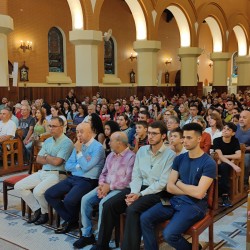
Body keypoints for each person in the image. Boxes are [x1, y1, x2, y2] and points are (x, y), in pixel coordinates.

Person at [91, 121, 176, 250]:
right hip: (137, 188)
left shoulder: (170, 155)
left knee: (132, 209)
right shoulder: (142, 150)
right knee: (108, 205)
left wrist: (139, 194)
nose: (150, 136)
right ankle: (101, 246)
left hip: (157, 192)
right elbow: (136, 176)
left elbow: (162, 183)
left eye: (154, 133)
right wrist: (134, 192)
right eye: (149, 133)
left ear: (164, 136)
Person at [140, 123, 216, 250]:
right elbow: (170, 187)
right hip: (174, 200)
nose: (184, 141)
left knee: (169, 234)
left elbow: (198, 194)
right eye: (184, 137)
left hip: (195, 205)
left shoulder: (208, 163)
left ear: (199, 139)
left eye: (189, 138)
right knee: (145, 218)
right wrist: (189, 190)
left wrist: (179, 183)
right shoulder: (179, 159)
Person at [73, 132, 136, 249]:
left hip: (120, 189)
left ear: (120, 142)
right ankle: (87, 235)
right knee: (85, 199)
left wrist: (109, 187)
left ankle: (99, 239)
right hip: (105, 186)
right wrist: (102, 185)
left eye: (111, 140)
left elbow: (127, 181)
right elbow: (103, 173)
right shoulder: (111, 155)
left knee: (103, 204)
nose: (108, 142)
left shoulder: (131, 157)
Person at [45, 122, 105, 234]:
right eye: (77, 132)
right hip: (73, 177)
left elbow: (87, 167)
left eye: (81, 132)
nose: (78, 135)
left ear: (90, 132)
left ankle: (71, 221)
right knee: (49, 194)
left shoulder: (98, 148)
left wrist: (79, 152)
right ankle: (71, 220)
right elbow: (68, 166)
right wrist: (80, 164)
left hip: (88, 181)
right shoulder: (78, 145)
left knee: (69, 200)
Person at [14, 117, 74, 225]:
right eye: (49, 126)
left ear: (62, 127)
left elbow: (57, 162)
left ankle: (44, 213)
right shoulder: (48, 140)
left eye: (54, 126)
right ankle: (37, 210)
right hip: (44, 171)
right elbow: (38, 159)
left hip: (58, 174)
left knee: (38, 191)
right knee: (18, 186)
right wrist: (49, 158)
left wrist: (46, 157)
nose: (51, 128)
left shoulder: (67, 142)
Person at [214, 122, 241, 207]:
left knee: (224, 166)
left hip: (227, 164)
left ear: (233, 133)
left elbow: (238, 155)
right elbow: (219, 156)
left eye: (228, 129)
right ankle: (222, 194)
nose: (225, 131)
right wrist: (233, 164)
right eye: (224, 128)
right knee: (222, 166)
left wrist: (224, 157)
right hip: (222, 163)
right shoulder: (217, 140)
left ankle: (224, 195)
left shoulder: (235, 140)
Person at [235, 110, 250, 184]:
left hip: (247, 152)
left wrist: (245, 148)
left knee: (246, 159)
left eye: (244, 117)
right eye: (240, 117)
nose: (241, 119)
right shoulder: (236, 127)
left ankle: (244, 182)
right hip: (235, 151)